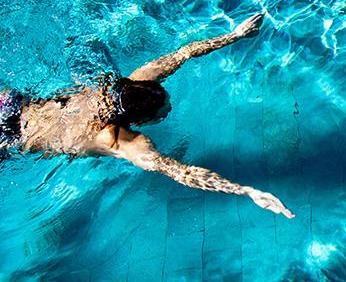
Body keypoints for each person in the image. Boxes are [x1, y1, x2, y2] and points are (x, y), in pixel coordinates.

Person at [1, 13, 295, 219]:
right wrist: (245, 191)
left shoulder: (133, 81)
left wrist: (235, 36)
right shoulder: (117, 140)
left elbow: (186, 53)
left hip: (12, 103)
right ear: (140, 122)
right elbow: (178, 171)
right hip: (12, 138)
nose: (168, 109)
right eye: (163, 112)